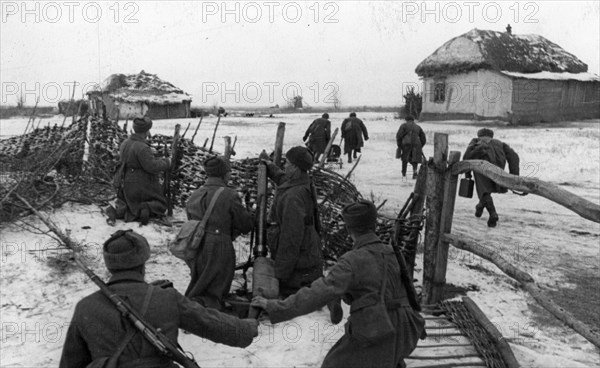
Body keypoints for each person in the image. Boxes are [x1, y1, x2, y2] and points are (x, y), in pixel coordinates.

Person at [252, 200, 426, 368]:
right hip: (408, 331)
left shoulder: (352, 261)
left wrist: (274, 306)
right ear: (374, 225)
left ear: (349, 229)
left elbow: (316, 294)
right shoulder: (393, 252)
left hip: (378, 332)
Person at [59, 230, 258, 368]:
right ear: (143, 262)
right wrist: (247, 328)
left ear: (109, 265)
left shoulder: (86, 307)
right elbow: (210, 324)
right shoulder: (166, 298)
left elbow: (71, 363)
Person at [184, 156, 253, 310]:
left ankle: (193, 306)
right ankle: (199, 312)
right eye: (228, 172)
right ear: (224, 174)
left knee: (201, 280)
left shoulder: (196, 193)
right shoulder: (229, 194)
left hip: (197, 242)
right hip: (219, 244)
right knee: (216, 286)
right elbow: (244, 224)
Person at [258, 146, 323, 297]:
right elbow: (283, 179)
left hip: (300, 256)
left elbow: (291, 237)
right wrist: (269, 165)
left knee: (295, 289)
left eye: (287, 163)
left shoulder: (294, 197)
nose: (284, 166)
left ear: (295, 167)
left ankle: (322, 296)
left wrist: (280, 274)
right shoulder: (302, 181)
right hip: (307, 248)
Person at [109, 116, 170, 226]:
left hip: (125, 181)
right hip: (139, 184)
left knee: (131, 200)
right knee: (161, 204)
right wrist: (166, 162)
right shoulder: (142, 147)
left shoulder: (125, 143)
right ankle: (143, 209)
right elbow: (152, 166)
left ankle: (128, 208)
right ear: (146, 132)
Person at [463, 128, 520, 227]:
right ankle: (480, 206)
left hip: (481, 170)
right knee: (485, 192)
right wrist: (513, 175)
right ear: (491, 136)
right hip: (497, 171)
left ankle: (493, 213)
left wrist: (468, 174)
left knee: (484, 191)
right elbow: (514, 157)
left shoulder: (476, 142)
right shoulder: (500, 143)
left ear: (479, 135)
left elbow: (466, 158)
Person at [396, 115, 426, 179]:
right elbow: (423, 138)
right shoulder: (418, 127)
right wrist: (420, 146)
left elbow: (399, 136)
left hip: (406, 145)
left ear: (406, 120)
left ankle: (404, 173)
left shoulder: (403, 126)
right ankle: (415, 172)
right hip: (417, 145)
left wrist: (399, 145)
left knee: (405, 159)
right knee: (415, 159)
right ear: (413, 120)